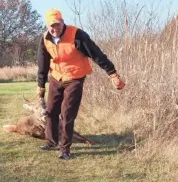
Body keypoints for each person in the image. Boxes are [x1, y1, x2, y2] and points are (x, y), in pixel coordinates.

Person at [36, 9, 125, 159]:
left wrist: (113, 74)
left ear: (62, 23)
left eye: (57, 25)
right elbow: (42, 64)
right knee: (50, 111)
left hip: (75, 77)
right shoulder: (45, 39)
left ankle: (65, 150)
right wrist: (41, 85)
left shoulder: (77, 35)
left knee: (67, 113)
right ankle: (51, 142)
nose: (54, 29)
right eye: (51, 26)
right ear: (47, 26)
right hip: (57, 77)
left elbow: (96, 54)